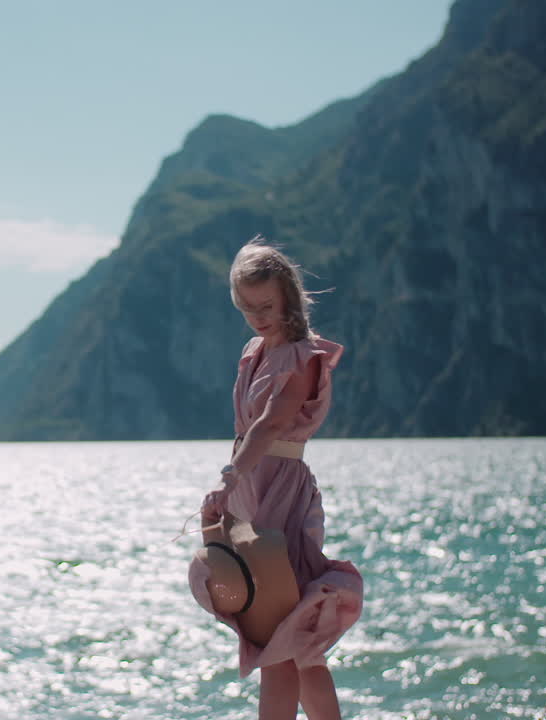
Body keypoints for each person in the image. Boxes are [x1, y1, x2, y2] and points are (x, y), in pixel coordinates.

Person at [187, 236, 363, 720]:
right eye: (247, 308)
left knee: (278, 637)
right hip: (249, 485)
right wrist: (228, 492)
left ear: (287, 293)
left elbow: (271, 422)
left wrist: (232, 474)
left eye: (265, 305)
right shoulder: (254, 350)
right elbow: (248, 431)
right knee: (297, 644)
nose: (258, 317)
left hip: (278, 488)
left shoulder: (304, 355)